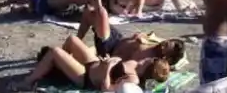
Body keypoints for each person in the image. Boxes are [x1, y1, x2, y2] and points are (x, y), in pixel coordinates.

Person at [21, 43, 153, 92]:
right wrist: (109, 59)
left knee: (55, 51)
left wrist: (107, 68)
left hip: (86, 77)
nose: (148, 58)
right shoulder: (135, 64)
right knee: (72, 39)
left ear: (149, 67)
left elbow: (106, 89)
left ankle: (28, 82)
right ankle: (56, 67)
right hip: (95, 62)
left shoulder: (133, 80)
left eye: (150, 60)